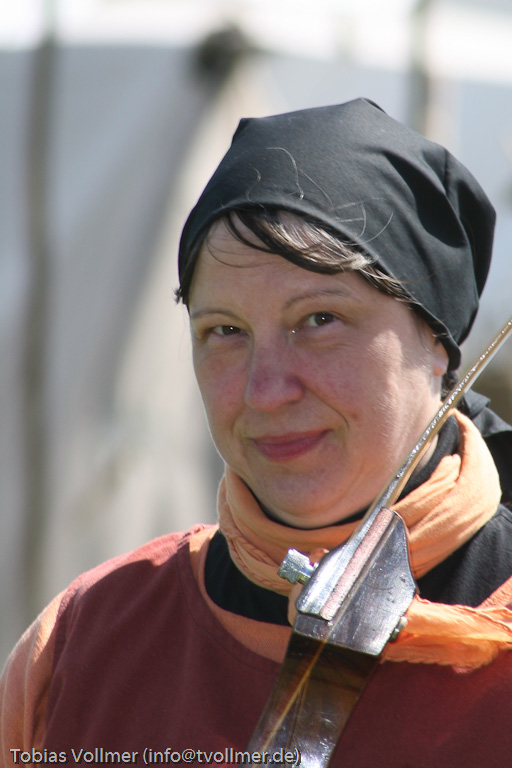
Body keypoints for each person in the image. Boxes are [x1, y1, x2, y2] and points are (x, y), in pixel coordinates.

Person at [2, 98, 512, 767]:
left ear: (438, 343)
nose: (264, 391)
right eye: (225, 331)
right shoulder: (85, 640)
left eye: (320, 320)